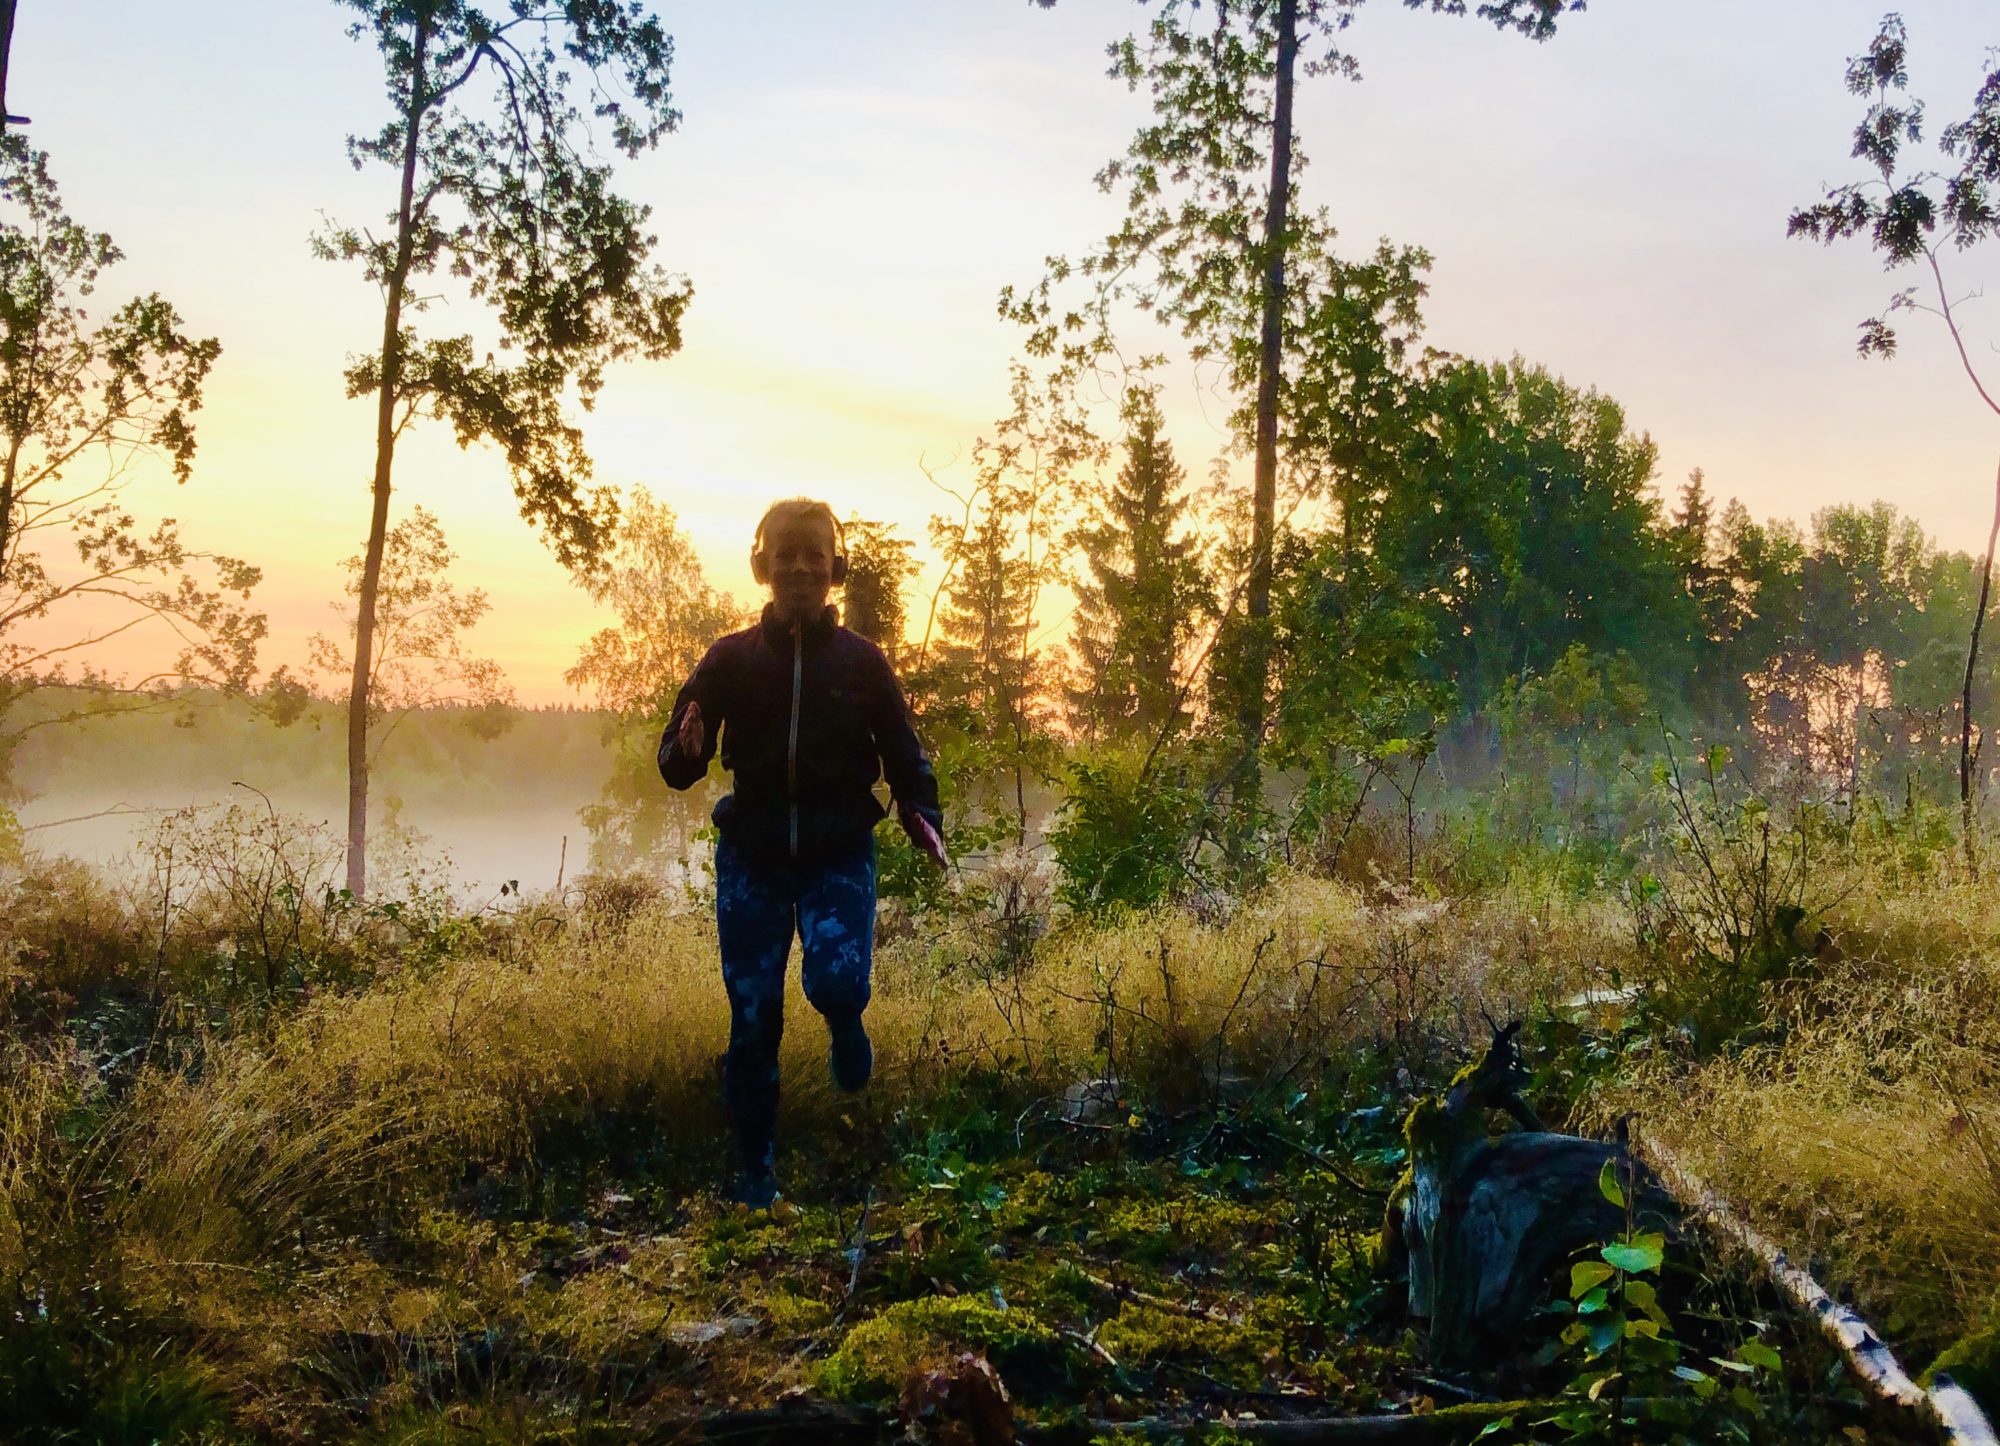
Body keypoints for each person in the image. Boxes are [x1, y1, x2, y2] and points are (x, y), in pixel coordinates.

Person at [659, 497, 948, 1209]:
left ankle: (847, 1026)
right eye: (784, 554)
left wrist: (921, 811)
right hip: (752, 856)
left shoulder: (863, 664)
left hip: (837, 852)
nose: (797, 566)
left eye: (812, 554)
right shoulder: (729, 660)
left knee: (837, 982)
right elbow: (677, 765)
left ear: (834, 569)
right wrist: (685, 745)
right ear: (763, 565)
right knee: (753, 1018)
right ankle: (758, 1177)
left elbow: (904, 755)